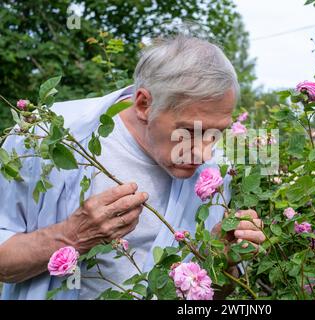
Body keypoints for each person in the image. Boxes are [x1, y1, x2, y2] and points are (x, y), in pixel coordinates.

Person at [0, 35, 265, 299]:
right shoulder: (48, 139)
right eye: (189, 131)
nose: (205, 151)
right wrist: (72, 236)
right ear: (144, 104)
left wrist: (220, 261)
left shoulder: (215, 170)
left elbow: (214, 296)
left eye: (216, 133)